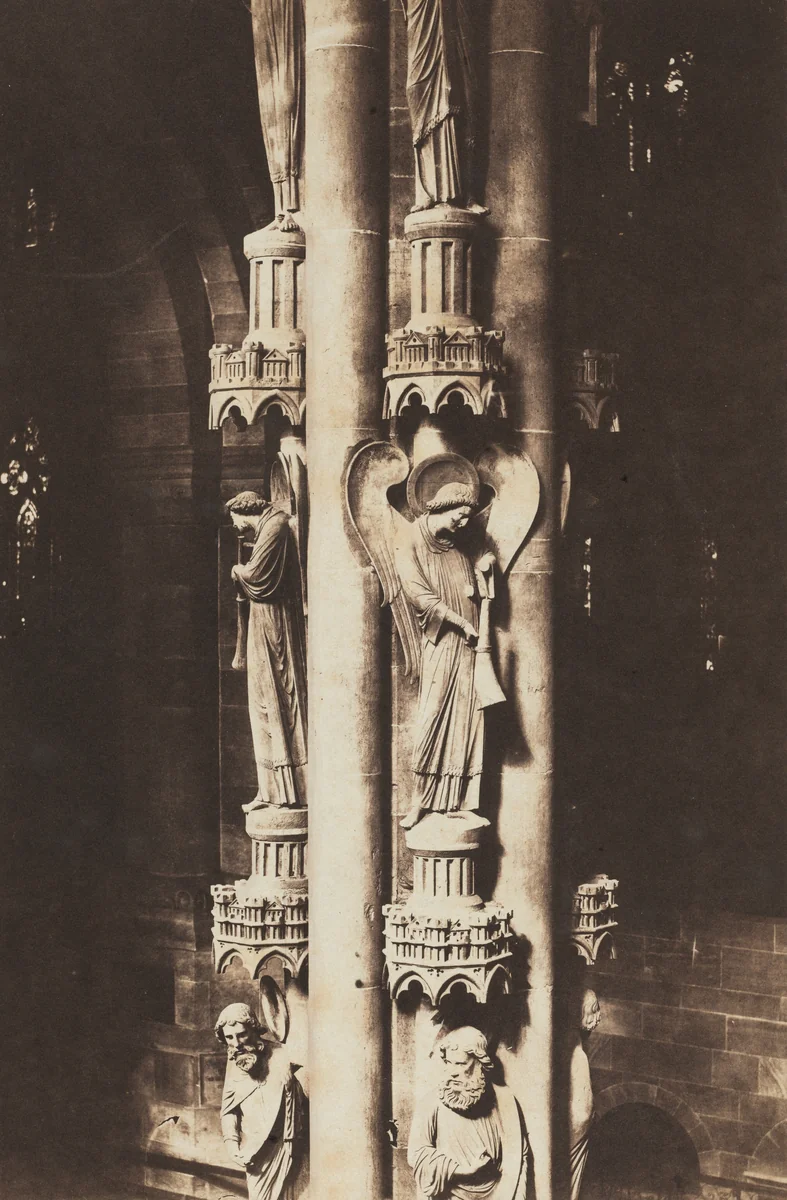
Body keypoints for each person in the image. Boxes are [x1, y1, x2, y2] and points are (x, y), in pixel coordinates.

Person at [396, 482, 491, 829]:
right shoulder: (410, 540)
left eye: (467, 518)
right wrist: (459, 622)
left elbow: (477, 591)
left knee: (468, 720)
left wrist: (483, 573)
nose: (463, 524)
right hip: (442, 642)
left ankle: (460, 799)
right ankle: (420, 800)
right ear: (441, 507)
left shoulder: (458, 549)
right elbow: (418, 594)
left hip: (468, 646)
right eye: (459, 516)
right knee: (432, 717)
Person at [227, 491, 307, 812]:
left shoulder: (275, 526)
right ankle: (269, 788)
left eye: (234, 518)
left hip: (272, 623)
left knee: (269, 699)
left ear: (244, 511)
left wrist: (237, 570)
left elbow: (259, 577)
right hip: (265, 620)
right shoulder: (267, 528)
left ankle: (284, 790)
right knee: (260, 702)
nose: (233, 526)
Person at [408, 1026, 528, 1200]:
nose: (453, 1072)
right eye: (449, 1063)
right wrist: (462, 1171)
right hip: (450, 1195)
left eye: (460, 1064)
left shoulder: (504, 1100)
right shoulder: (431, 1103)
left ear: (479, 1063)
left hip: (500, 1194)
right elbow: (417, 1154)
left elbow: (518, 1155)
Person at [402, 0, 487, 212]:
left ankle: (467, 195)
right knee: (418, 89)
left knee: (461, 95)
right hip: (422, 13)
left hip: (455, 15)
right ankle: (426, 191)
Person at [215, 1003, 305, 1200]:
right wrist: (232, 1143)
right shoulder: (234, 1062)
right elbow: (229, 1109)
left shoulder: (281, 1055)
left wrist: (291, 1087)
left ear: (254, 1029)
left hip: (285, 1143)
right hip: (255, 1151)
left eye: (242, 1034)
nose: (236, 1043)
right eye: (229, 1037)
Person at [251, 0, 305, 230]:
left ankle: (294, 207)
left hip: (285, 16)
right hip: (263, 13)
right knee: (271, 113)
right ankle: (280, 210)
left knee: (287, 101)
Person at [569, 989, 601, 1200]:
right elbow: (582, 1115)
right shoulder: (576, 1054)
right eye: (595, 1010)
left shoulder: (575, 1045)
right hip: (572, 1139)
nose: (599, 1016)